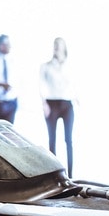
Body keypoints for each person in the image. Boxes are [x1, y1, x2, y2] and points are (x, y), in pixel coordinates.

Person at [40, 37, 77, 177]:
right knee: (52, 139)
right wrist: (44, 104)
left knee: (69, 140)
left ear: (64, 47)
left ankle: (71, 174)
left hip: (67, 104)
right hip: (52, 103)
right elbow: (41, 86)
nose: (56, 48)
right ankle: (54, 174)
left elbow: (75, 85)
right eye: (54, 45)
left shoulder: (70, 65)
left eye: (59, 45)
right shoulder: (46, 66)